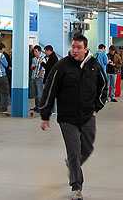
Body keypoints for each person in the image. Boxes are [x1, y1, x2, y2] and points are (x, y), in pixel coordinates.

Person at [40, 35, 108, 200]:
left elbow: (104, 86)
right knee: (74, 151)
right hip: (67, 117)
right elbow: (50, 89)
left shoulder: (94, 65)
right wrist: (45, 115)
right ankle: (76, 187)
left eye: (79, 47)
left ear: (86, 49)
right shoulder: (62, 66)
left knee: (88, 148)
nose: (75, 50)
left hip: (87, 115)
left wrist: (96, 107)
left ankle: (73, 165)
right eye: (73, 47)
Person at [31, 46, 46, 112]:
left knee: (40, 94)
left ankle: (41, 107)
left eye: (36, 51)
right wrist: (33, 67)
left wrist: (39, 76)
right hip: (33, 77)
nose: (35, 53)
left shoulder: (43, 59)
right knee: (35, 94)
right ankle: (37, 106)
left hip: (39, 78)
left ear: (40, 52)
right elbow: (32, 68)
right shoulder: (33, 59)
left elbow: (43, 69)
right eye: (34, 51)